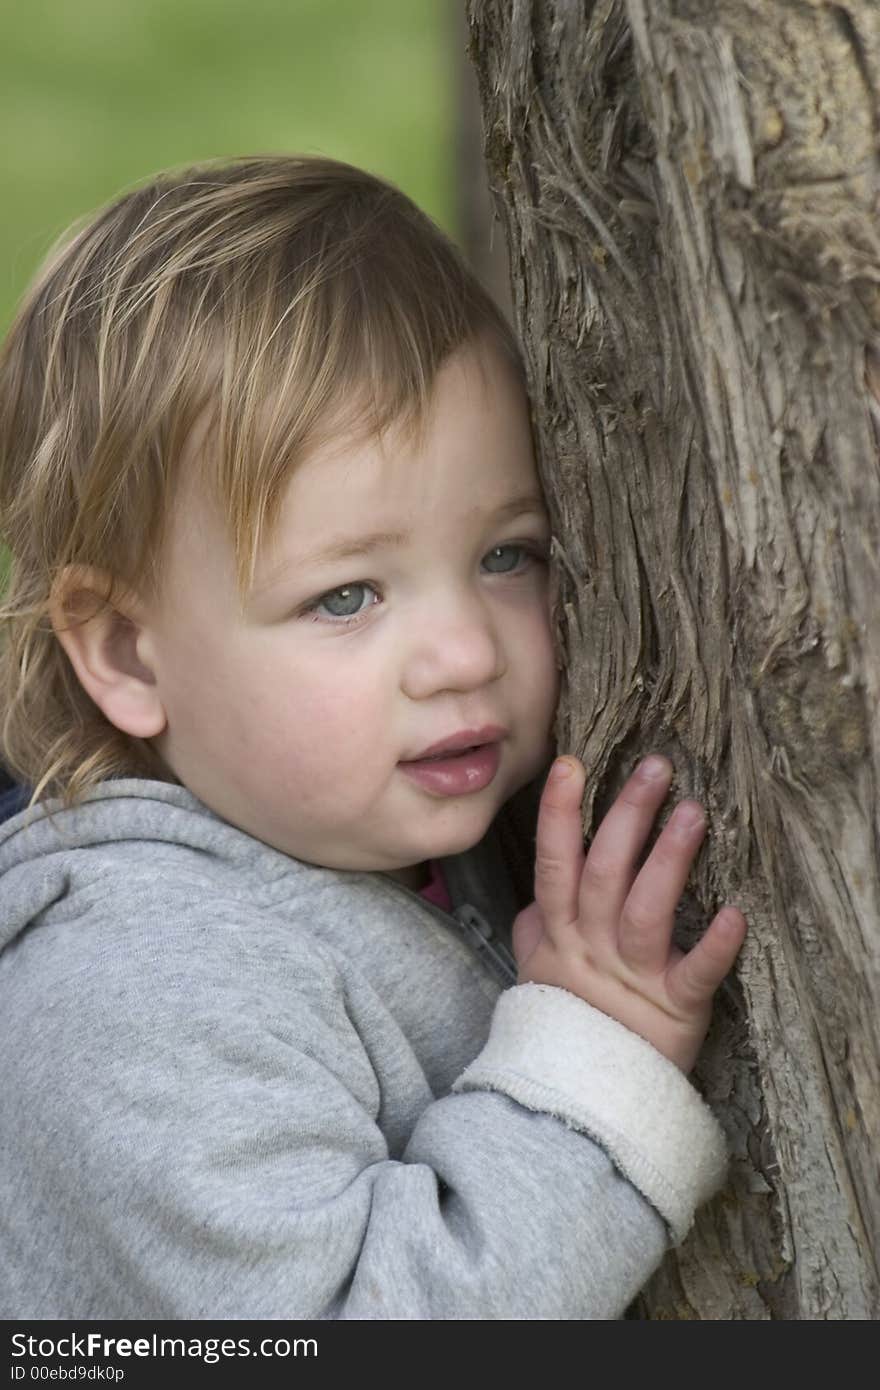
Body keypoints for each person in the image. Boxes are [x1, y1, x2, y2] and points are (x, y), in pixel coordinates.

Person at [0, 155, 746, 1319]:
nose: (465, 653)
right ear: (130, 654)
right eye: (346, 595)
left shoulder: (391, 825)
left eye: (506, 554)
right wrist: (598, 1060)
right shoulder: (133, 988)